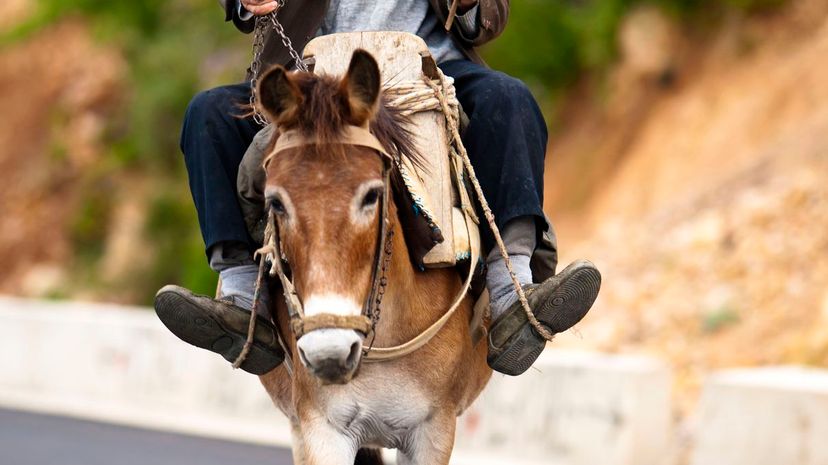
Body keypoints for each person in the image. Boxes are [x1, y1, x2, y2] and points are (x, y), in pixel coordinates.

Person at [154, 0, 601, 377]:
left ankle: (511, 295)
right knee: (207, 116)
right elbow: (246, 9)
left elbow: (489, 15)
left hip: (430, 69)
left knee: (511, 101)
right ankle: (242, 300)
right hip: (310, 75)